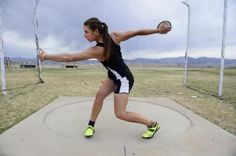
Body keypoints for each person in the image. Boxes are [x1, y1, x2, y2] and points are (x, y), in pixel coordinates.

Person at [38, 17, 171, 139]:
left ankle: (152, 124)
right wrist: (158, 31)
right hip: (113, 76)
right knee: (99, 96)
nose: (84, 35)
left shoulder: (104, 45)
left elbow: (69, 58)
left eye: (86, 32)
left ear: (96, 32)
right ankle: (91, 124)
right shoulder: (112, 38)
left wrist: (47, 56)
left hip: (123, 79)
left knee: (120, 114)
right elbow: (137, 32)